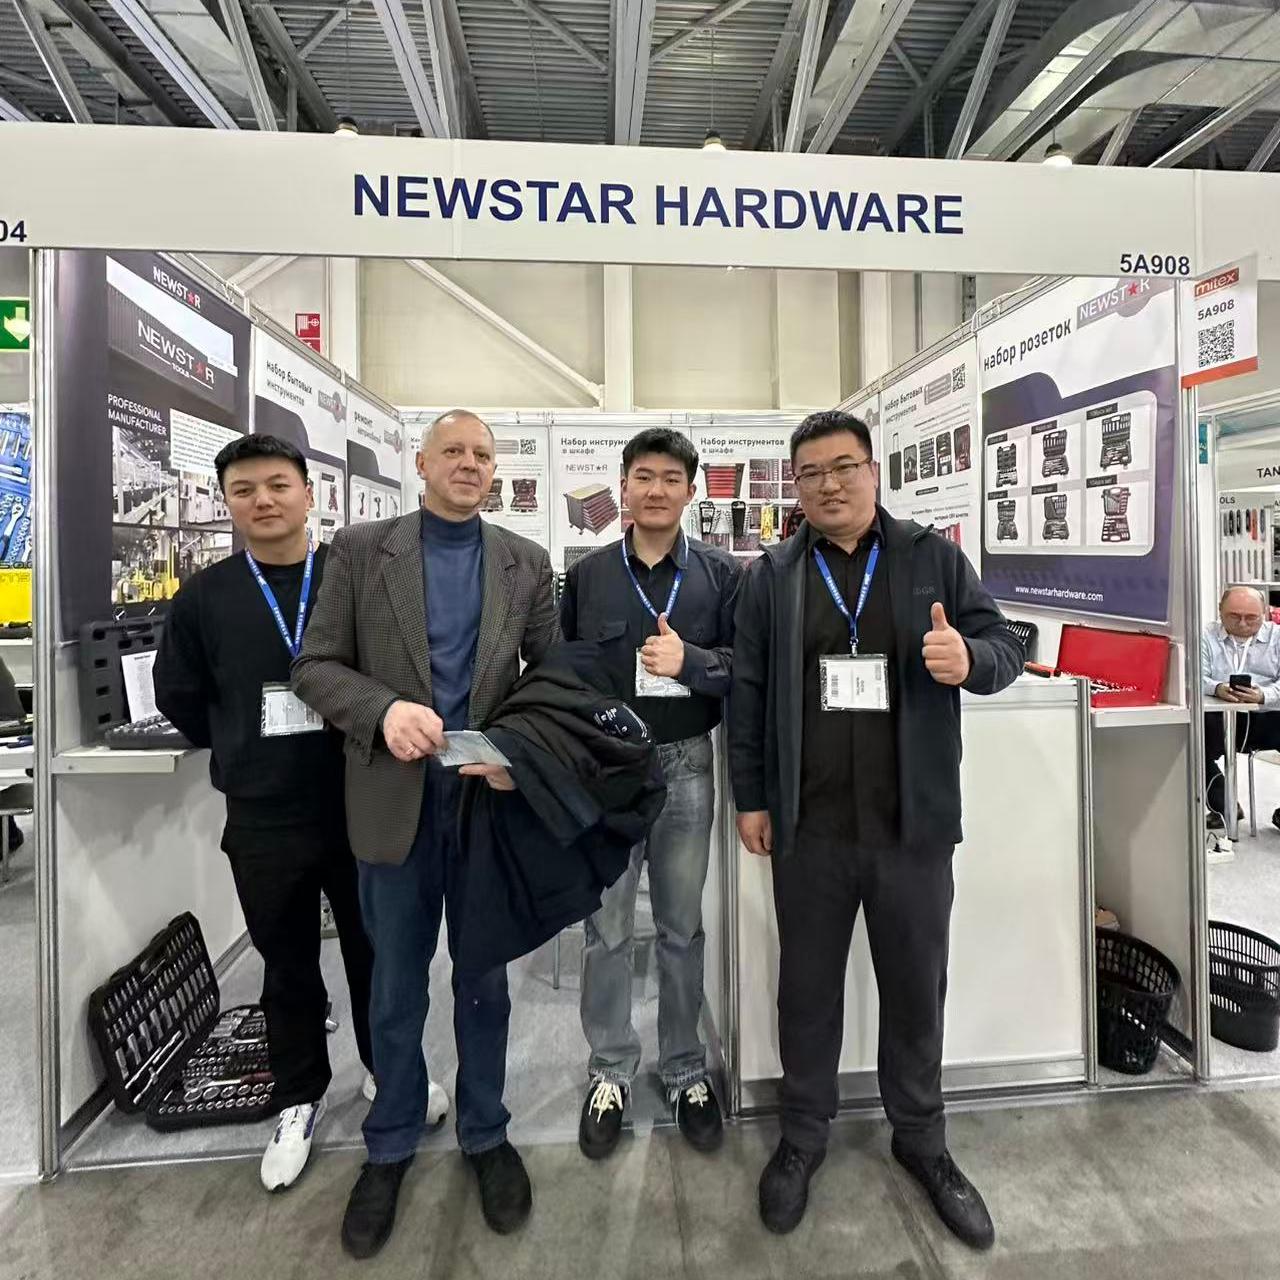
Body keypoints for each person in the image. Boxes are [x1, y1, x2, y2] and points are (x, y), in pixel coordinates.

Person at [728, 410, 1023, 1246]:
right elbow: (748, 694)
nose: (828, 485)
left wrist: (972, 661)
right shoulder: (772, 576)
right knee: (807, 991)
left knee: (916, 988)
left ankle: (922, 1139)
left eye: (843, 467)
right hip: (809, 827)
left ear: (873, 471)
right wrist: (751, 798)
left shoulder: (931, 558)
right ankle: (802, 1136)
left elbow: (1003, 642)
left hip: (912, 826)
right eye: (811, 473)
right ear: (795, 486)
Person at [293, 409, 558, 1259]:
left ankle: (486, 1132)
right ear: (421, 462)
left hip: (484, 804)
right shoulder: (360, 551)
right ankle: (390, 1143)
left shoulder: (525, 562)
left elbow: (551, 677)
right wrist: (383, 711)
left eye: (482, 454)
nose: (469, 464)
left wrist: (521, 752)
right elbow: (314, 666)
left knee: (485, 983)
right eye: (453, 451)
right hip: (392, 799)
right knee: (395, 987)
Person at [153, 434, 417, 1196]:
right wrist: (241, 744)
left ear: (309, 494)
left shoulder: (354, 577)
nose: (263, 501)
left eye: (277, 485)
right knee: (287, 960)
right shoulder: (204, 597)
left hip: (359, 797)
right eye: (244, 490)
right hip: (264, 812)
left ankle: (386, 1073)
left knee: (376, 952)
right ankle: (299, 1096)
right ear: (226, 503)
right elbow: (180, 695)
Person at [559, 427, 741, 1160]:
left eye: (671, 478)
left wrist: (690, 660)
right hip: (607, 772)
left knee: (680, 928)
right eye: (643, 476)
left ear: (690, 492)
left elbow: (742, 668)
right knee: (605, 929)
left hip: (687, 765)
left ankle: (685, 1068)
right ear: (623, 488)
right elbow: (564, 673)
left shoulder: (721, 576)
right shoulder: (589, 576)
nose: (656, 489)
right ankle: (610, 1068)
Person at [1201, 585, 1280, 831]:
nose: (1243, 624)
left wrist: (1263, 695)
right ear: (1220, 611)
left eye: (1251, 617)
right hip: (1218, 717)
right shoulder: (1204, 636)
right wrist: (1217, 688)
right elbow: (1194, 677)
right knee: (1188, 742)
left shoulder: (1277, 638)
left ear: (1265, 613)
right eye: (1234, 616)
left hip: (1269, 716)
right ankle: (1224, 805)